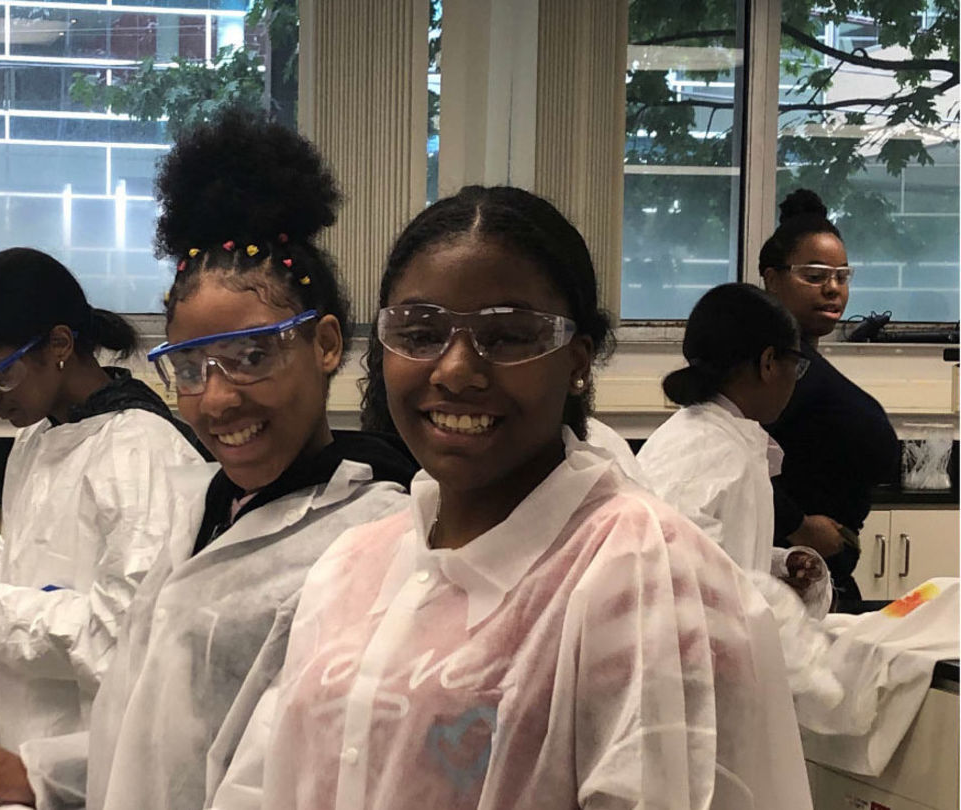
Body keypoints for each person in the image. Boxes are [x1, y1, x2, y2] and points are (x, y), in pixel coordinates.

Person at [212, 186, 811, 809]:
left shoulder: (642, 576)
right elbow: (265, 784)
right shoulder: (354, 566)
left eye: (507, 337)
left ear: (577, 360)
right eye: (419, 332)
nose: (455, 370)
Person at [0, 109, 415, 810]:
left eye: (251, 357)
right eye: (187, 366)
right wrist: (44, 771)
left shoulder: (369, 540)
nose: (216, 401)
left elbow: (294, 775)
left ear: (327, 345)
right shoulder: (202, 505)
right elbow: (159, 724)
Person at [0, 247, 205, 749]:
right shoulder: (36, 440)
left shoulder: (140, 449)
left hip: (96, 761)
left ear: (58, 344)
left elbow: (125, 637)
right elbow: (22, 564)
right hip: (25, 752)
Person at [760, 189, 901, 610]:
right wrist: (799, 525)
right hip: (786, 581)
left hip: (822, 582)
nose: (833, 289)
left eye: (842, 276)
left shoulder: (803, 360)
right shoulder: (764, 365)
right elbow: (736, 457)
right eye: (816, 275)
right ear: (772, 278)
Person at [638, 283, 807, 572]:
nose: (796, 379)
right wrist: (772, 603)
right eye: (797, 365)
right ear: (768, 363)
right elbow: (680, 578)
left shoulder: (719, 438)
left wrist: (780, 567)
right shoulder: (710, 451)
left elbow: (724, 556)